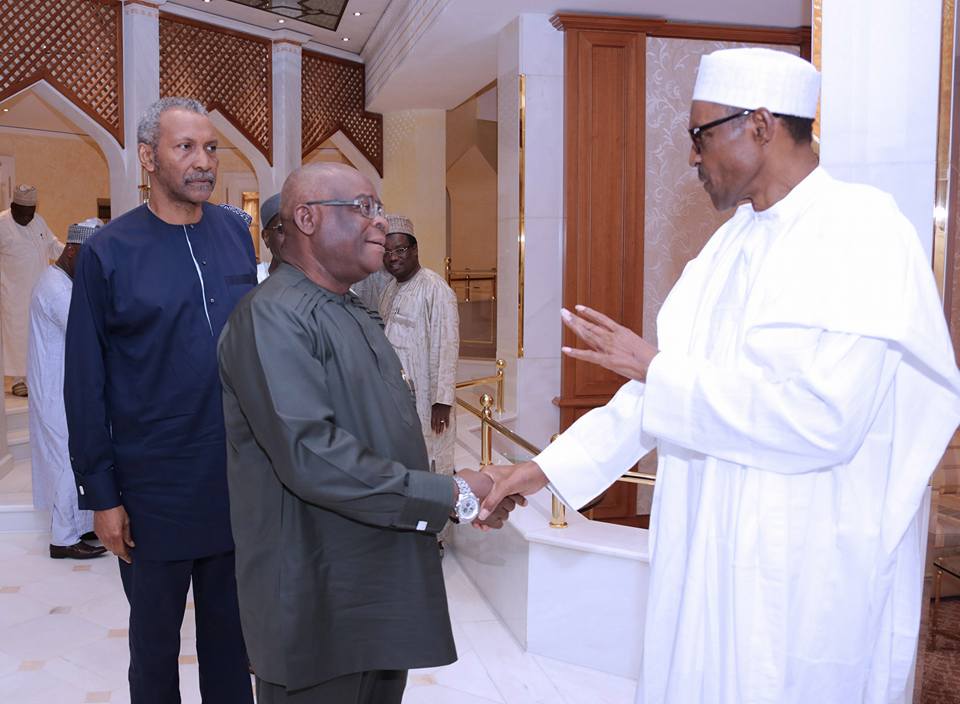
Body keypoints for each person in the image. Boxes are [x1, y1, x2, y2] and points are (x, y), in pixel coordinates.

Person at [479, 48, 960, 704]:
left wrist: (659, 372)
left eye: (701, 135)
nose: (692, 157)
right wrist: (535, 474)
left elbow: (826, 423)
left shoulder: (863, 231)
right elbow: (655, 394)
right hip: (707, 548)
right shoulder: (727, 247)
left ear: (759, 125)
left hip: (801, 560)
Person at [217, 162, 520, 704]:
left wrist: (460, 500)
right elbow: (313, 455)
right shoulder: (272, 317)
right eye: (362, 207)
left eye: (377, 208)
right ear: (306, 219)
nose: (378, 223)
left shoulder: (352, 309)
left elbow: (379, 442)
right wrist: (449, 493)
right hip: (319, 601)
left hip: (377, 587)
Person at [64, 97, 256, 704]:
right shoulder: (108, 253)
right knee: (154, 649)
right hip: (153, 489)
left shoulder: (233, 231)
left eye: (211, 148)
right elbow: (84, 381)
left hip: (233, 479)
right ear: (148, 158)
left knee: (233, 643)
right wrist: (102, 494)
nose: (204, 162)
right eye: (186, 148)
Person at [27, 218, 107, 560]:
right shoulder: (54, 286)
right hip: (53, 389)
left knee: (77, 452)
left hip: (68, 386)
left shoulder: (68, 280)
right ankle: (63, 539)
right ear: (72, 251)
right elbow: (87, 328)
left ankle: (82, 524)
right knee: (63, 457)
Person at [379, 214, 460, 479]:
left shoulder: (435, 288)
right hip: (396, 395)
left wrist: (442, 401)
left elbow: (447, 344)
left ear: (415, 250)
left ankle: (439, 517)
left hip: (426, 399)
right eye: (387, 251)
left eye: (400, 249)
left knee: (431, 459)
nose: (393, 257)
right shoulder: (390, 288)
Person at [0, 184, 63, 397]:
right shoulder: (2, 223)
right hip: (13, 292)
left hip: (40, 290)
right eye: (23, 213)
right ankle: (18, 379)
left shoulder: (38, 221)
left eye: (31, 212)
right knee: (17, 335)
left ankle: (36, 377)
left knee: (40, 334)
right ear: (13, 206)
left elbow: (53, 245)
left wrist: (74, 254)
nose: (28, 218)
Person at [256, 192, 283, 282]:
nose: (294, 237)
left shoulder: (316, 283)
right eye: (282, 229)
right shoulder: (255, 279)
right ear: (266, 237)